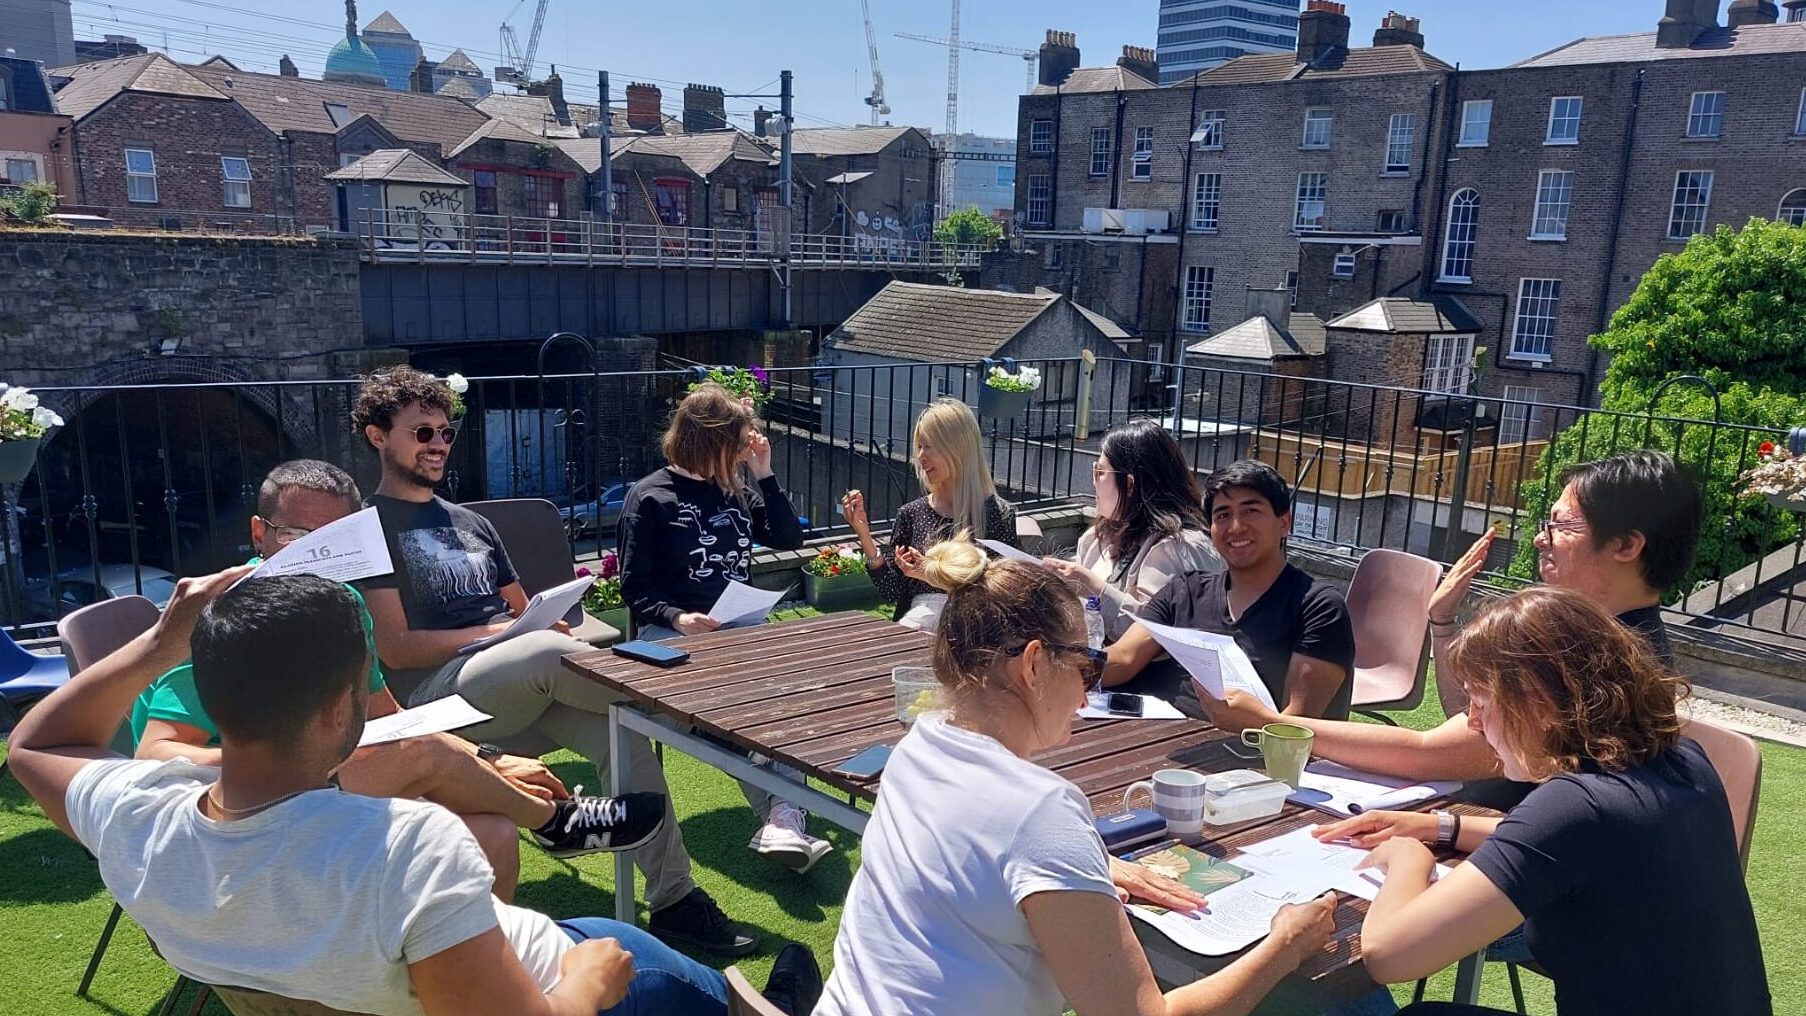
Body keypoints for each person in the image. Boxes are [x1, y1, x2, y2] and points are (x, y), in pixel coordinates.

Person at [5, 571, 824, 1016]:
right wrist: (591, 979)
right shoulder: (405, 848)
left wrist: (157, 642)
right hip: (566, 974)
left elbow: (33, 745)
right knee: (659, 971)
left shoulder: (138, 814)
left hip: (412, 970)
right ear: (338, 710)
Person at [816, 538, 1338, 1016]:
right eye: (1087, 666)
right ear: (1035, 664)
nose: (1088, 693)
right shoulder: (1042, 811)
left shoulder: (920, 743)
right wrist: (1286, 946)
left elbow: (973, 850)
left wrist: (1088, 862)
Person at [352, 367, 757, 957]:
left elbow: (524, 613)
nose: (438, 443)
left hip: (516, 682)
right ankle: (689, 705)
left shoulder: (473, 523)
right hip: (434, 706)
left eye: (444, 431)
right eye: (421, 433)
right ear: (377, 437)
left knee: (620, 731)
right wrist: (508, 634)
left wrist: (549, 622)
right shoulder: (367, 531)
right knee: (550, 655)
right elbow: (396, 649)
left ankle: (676, 901)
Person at [131, 460, 648, 901]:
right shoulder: (232, 614)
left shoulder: (347, 607)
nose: (318, 555)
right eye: (295, 537)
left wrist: (488, 758)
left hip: (325, 787)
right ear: (259, 533)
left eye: (336, 539)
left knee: (490, 832)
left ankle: (478, 981)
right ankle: (555, 821)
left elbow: (389, 720)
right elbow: (155, 756)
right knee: (420, 755)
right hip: (227, 807)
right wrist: (296, 759)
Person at [1331, 588, 1769, 1016]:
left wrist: (1408, 858)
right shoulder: (1681, 759)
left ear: (1540, 703)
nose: (1472, 721)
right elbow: (1574, 846)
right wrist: (1438, 827)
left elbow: (1388, 957)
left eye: (1481, 701)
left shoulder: (1574, 807)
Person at [1196, 451, 1702, 805]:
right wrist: (1441, 621)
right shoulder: (1606, 638)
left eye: (1561, 526)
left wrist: (1268, 722)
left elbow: (1434, 754)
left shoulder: (1595, 660)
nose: (1541, 541)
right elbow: (1474, 720)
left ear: (1626, 546)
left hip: (1514, 864)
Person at [616, 383, 828, 873]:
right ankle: (782, 813)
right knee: (731, 708)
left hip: (741, 629)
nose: (740, 454)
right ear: (708, 442)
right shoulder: (649, 497)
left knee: (794, 690)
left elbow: (787, 535)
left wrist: (765, 473)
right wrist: (678, 618)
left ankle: (782, 814)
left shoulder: (734, 489)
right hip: (674, 638)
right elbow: (634, 588)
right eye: (736, 445)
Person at [1101, 459, 1356, 719]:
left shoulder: (1318, 607)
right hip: (1154, 739)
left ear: (1284, 523)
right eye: (1222, 515)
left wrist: (1248, 717)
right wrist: (1066, 663)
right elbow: (1123, 658)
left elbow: (1297, 725)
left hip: (1251, 753)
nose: (1235, 527)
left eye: (1251, 511)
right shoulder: (1185, 592)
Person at [841, 398, 1018, 630]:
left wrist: (930, 574)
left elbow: (1005, 597)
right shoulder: (912, 513)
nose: (920, 456)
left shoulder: (997, 513)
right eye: (919, 446)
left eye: (929, 446)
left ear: (957, 448)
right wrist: (865, 536)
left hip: (973, 635)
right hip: (917, 631)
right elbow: (893, 591)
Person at [1040, 418, 1221, 641]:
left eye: (1100, 472)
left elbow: (1155, 636)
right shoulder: (1096, 536)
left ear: (1130, 483)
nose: (1093, 482)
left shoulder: (1179, 547)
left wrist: (1092, 586)